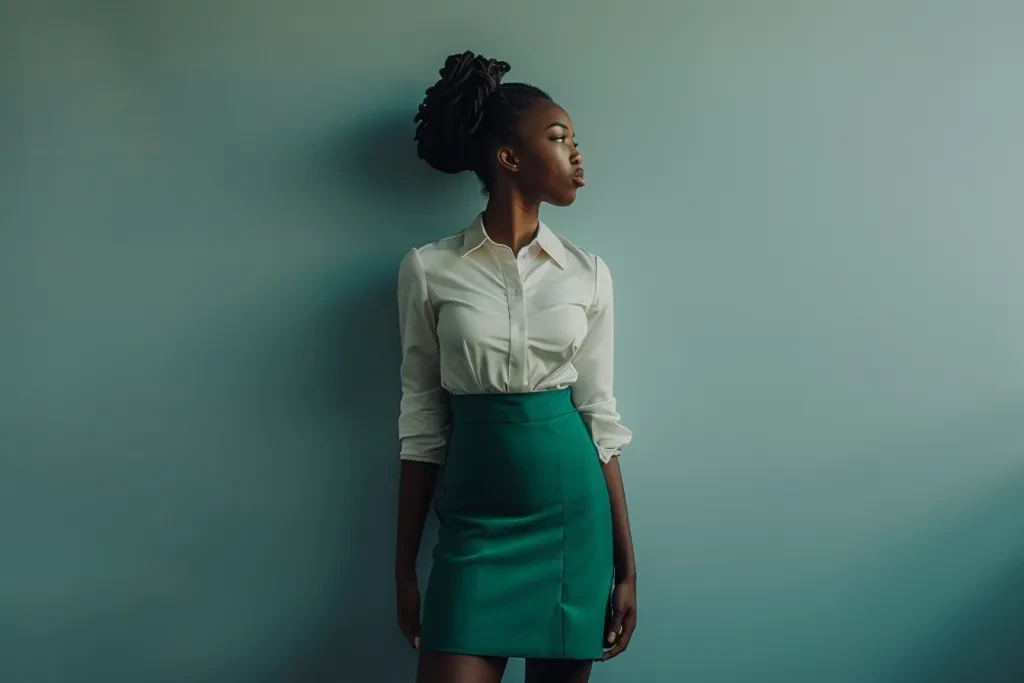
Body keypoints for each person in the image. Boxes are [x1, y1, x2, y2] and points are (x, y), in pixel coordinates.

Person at [394, 51, 637, 683]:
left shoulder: (589, 273)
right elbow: (422, 420)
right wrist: (402, 569)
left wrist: (627, 566)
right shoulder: (429, 269)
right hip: (474, 527)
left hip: (571, 527)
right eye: (560, 139)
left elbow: (599, 416)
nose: (577, 156)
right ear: (509, 158)